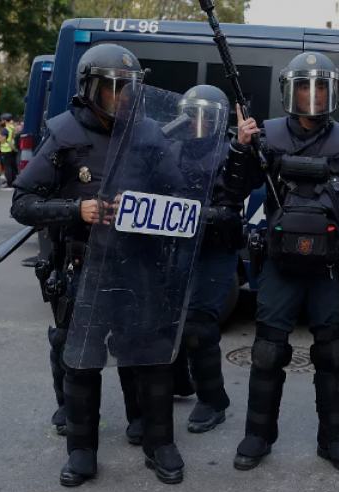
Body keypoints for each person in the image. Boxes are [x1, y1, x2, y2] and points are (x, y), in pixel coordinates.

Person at [11, 43, 186, 486]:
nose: (120, 97)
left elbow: (181, 193)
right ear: (91, 89)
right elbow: (23, 201)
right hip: (85, 265)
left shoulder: (148, 134)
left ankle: (159, 441)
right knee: (82, 359)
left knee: (151, 358)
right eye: (111, 88)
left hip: (139, 264)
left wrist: (158, 206)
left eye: (127, 88)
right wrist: (76, 209)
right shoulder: (65, 134)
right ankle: (83, 450)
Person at [222, 52, 339, 474]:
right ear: (289, 91)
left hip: (328, 267)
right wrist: (241, 148)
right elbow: (233, 189)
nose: (311, 96)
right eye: (303, 87)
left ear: (332, 92)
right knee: (266, 352)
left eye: (319, 87)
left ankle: (334, 439)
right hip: (280, 265)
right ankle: (258, 435)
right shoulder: (265, 135)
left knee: (333, 356)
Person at [118, 85, 237, 445]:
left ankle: (213, 400)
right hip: (175, 244)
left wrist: (205, 214)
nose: (195, 122)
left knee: (199, 326)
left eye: (204, 116)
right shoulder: (169, 146)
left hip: (215, 247)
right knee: (164, 317)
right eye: (190, 114)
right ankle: (180, 380)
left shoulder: (233, 154)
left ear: (218, 120)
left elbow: (234, 200)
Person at [0, 113, 18, 189]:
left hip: (6, 150)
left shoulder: (5, 129)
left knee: (7, 167)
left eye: (2, 120)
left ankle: (9, 183)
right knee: (13, 166)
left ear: (5, 120)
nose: (1, 121)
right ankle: (13, 182)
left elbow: (2, 140)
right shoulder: (13, 128)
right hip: (13, 149)